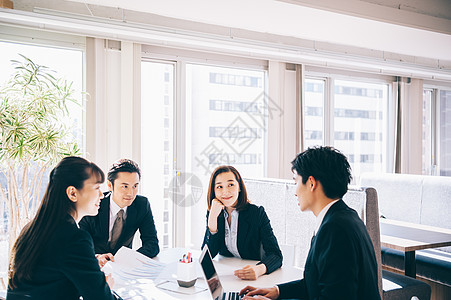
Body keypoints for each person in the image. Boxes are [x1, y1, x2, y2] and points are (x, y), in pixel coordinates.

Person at [240, 146, 381, 300]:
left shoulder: (335, 229)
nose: (295, 192)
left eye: (296, 182)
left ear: (311, 183)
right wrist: (277, 292)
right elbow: (315, 284)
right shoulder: (343, 217)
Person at [7, 156, 115, 300]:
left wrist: (90, 264)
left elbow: (49, 272)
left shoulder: (31, 229)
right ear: (72, 193)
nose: (102, 195)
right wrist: (105, 287)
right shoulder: (75, 238)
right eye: (96, 188)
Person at [202, 165, 282, 280]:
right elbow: (207, 258)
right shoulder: (215, 213)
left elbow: (276, 255)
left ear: (239, 187)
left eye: (231, 184)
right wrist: (212, 221)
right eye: (219, 187)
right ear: (214, 191)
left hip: (256, 278)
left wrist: (259, 269)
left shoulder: (257, 213)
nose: (225, 191)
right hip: (229, 276)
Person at [80, 159, 159, 264]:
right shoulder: (93, 205)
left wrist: (131, 258)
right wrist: (97, 257)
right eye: (125, 186)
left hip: (124, 269)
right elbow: (81, 246)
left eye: (135, 186)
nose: (131, 193)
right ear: (109, 185)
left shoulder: (142, 205)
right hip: (95, 266)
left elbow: (152, 244)